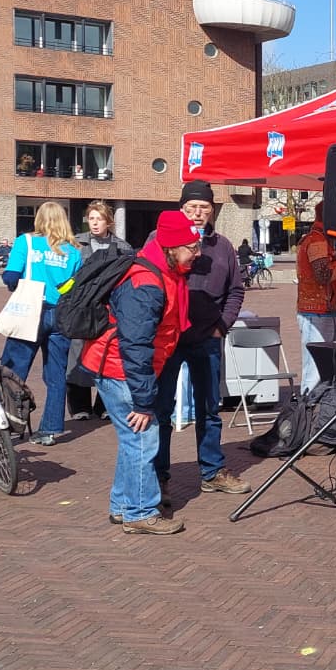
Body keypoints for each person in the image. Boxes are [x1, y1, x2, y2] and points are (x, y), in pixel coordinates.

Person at [81, 210, 200, 534]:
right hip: (120, 369)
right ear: (172, 247)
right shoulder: (145, 282)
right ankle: (139, 512)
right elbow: (135, 345)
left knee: (134, 440)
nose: (197, 252)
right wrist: (144, 401)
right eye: (192, 246)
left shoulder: (165, 272)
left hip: (121, 366)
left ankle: (122, 505)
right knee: (144, 438)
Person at [149, 181, 250, 503]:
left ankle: (211, 471)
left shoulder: (223, 247)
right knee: (161, 408)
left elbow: (236, 290)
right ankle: (158, 475)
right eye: (191, 207)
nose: (197, 212)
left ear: (212, 210)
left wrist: (222, 324)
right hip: (168, 338)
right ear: (181, 209)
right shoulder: (158, 240)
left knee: (209, 408)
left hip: (207, 338)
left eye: (204, 207)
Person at [2, 201, 83, 446]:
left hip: (31, 309)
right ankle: (49, 429)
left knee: (13, 370)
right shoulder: (74, 251)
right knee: (56, 373)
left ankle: (8, 423)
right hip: (60, 312)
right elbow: (73, 286)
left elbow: (11, 276)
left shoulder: (26, 242)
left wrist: (16, 283)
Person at [67, 201, 134, 421]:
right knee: (77, 352)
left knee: (106, 351)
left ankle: (104, 404)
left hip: (108, 306)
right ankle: (79, 405)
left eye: (100, 219)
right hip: (83, 304)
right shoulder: (76, 243)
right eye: (92, 218)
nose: (95, 223)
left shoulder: (122, 247)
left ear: (109, 222)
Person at [295, 201, 336, 393]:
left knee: (331, 369)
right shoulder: (316, 241)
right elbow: (323, 275)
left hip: (326, 312)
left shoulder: (322, 239)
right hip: (316, 314)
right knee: (315, 371)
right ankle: (307, 416)